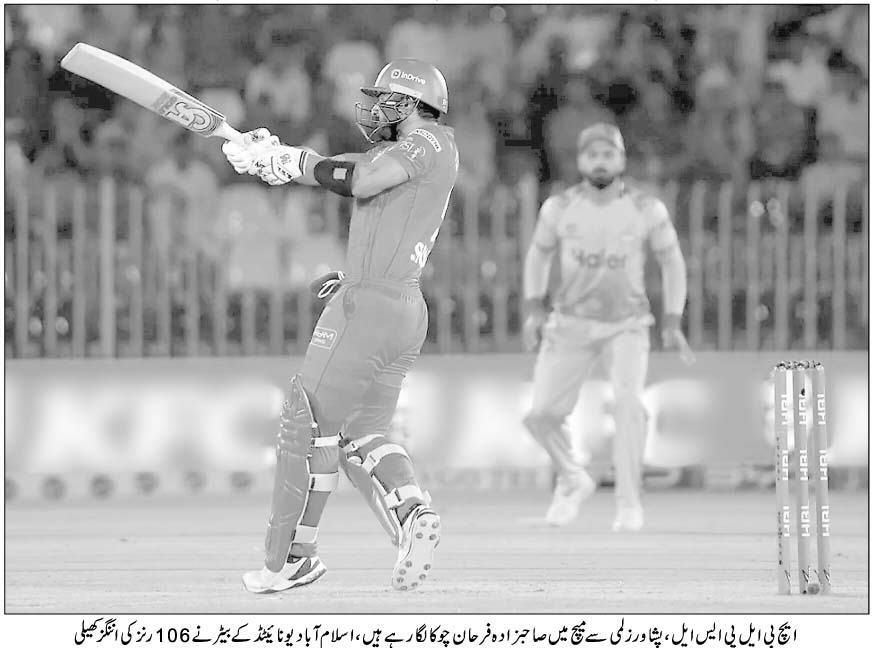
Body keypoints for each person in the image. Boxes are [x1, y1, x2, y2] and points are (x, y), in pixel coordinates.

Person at [221, 59, 458, 593]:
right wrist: (278, 158)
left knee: (305, 425)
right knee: (360, 436)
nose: (374, 109)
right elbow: (351, 168)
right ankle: (412, 514)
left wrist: (296, 160)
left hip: (370, 307)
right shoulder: (411, 154)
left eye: (385, 99)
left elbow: (362, 179)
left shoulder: (430, 141)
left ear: (410, 103)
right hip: (400, 305)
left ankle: (290, 559)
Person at [521, 123, 692, 531]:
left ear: (622, 160)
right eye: (593, 154)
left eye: (608, 154)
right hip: (570, 322)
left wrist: (673, 319)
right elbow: (538, 256)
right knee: (541, 415)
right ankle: (571, 478)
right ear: (580, 161)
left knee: (629, 406)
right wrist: (533, 308)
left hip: (627, 325)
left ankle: (629, 504)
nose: (601, 161)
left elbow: (672, 262)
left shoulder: (646, 207)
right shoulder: (559, 207)